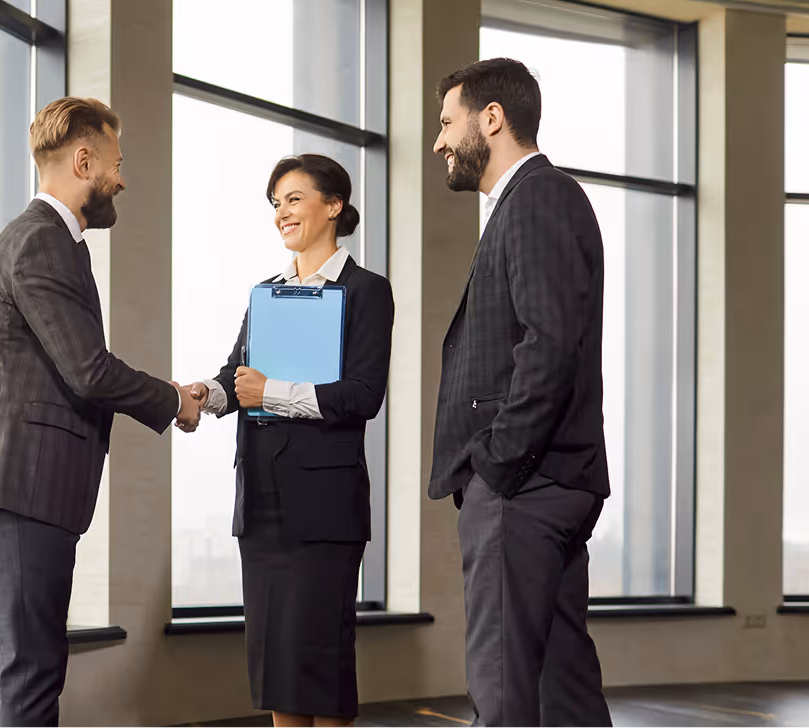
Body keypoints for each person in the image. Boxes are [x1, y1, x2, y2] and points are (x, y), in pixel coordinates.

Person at [0, 96, 203, 728]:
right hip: (26, 482)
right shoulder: (42, 243)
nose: (121, 177)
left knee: (5, 667)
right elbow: (87, 370)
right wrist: (172, 400)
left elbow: (69, 364)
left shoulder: (39, 240)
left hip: (10, 484)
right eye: (115, 161)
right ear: (83, 159)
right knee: (30, 673)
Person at [427, 58, 612, 728]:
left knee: (504, 693)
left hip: (524, 487)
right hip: (552, 481)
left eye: (448, 122)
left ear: (492, 118)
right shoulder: (538, 201)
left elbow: (549, 342)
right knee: (565, 694)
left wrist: (498, 463)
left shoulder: (535, 198)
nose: (440, 141)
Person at [184, 154, 393, 728]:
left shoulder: (367, 292)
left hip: (324, 508)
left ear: (334, 206)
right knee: (277, 665)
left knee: (321, 664)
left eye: (294, 198)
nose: (282, 212)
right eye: (276, 203)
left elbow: (362, 396)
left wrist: (272, 393)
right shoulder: (265, 293)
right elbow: (236, 378)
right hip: (263, 502)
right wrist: (202, 394)